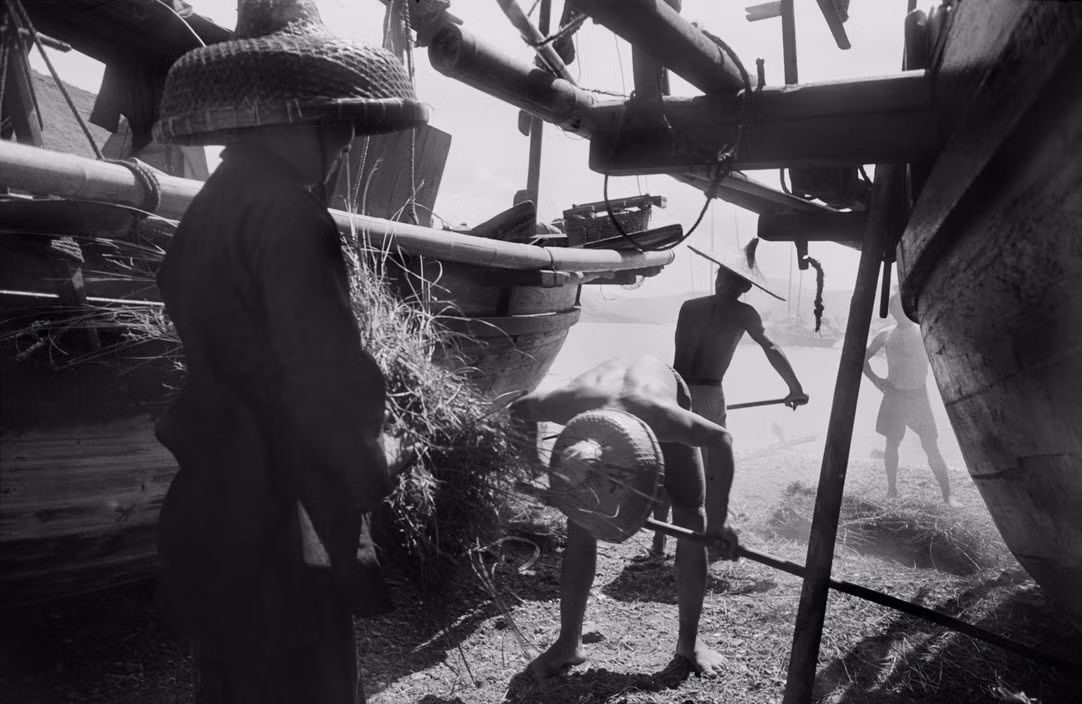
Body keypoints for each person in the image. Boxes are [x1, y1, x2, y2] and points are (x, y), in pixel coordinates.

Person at [151, 1, 428, 701]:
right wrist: (376, 459)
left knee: (231, 680)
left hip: (214, 506)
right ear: (284, 114)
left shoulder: (209, 209)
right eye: (332, 120)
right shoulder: (291, 215)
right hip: (281, 514)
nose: (343, 142)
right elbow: (323, 382)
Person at [510, 355, 740, 679]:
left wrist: (719, 522)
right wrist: (534, 469)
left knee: (691, 516)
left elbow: (721, 439)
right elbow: (518, 407)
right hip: (601, 412)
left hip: (661, 387)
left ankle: (689, 643)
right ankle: (568, 643)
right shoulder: (565, 405)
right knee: (581, 518)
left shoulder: (665, 419)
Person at [655, 251, 809, 555]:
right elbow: (770, 346)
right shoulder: (744, 313)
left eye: (724, 276)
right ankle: (708, 539)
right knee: (712, 469)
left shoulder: (689, 307)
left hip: (674, 389)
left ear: (729, 282)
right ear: (745, 288)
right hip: (708, 394)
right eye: (721, 275)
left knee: (669, 462)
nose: (720, 281)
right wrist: (795, 387)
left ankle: (658, 541)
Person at [863, 293, 951, 504]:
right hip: (894, 396)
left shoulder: (923, 331)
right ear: (891, 310)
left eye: (901, 306)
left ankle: (948, 495)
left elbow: (943, 357)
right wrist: (876, 380)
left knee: (931, 446)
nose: (897, 310)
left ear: (908, 308)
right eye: (893, 306)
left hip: (918, 395)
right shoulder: (884, 334)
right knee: (892, 444)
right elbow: (862, 359)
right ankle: (892, 490)